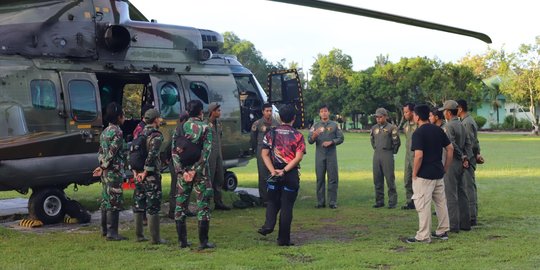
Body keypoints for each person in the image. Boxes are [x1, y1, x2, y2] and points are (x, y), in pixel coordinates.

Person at [257, 104, 305, 246]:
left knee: (272, 201)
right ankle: (283, 240)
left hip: (274, 173)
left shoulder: (270, 133)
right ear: (294, 118)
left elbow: (264, 154)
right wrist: (285, 171)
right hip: (290, 174)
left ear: (279, 117)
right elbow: (298, 157)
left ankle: (268, 225)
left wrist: (273, 171)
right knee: (286, 206)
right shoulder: (298, 135)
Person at [406, 104, 453, 243]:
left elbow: (418, 156)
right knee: (440, 203)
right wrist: (446, 167)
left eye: (414, 114)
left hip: (424, 175)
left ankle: (423, 236)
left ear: (418, 116)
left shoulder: (418, 133)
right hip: (438, 172)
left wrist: (414, 173)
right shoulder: (438, 130)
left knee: (423, 205)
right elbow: (450, 148)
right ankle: (442, 231)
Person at [172, 100, 215, 250]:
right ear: (200, 112)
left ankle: (182, 241)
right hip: (200, 173)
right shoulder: (206, 128)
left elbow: (174, 152)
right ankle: (203, 242)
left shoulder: (180, 128)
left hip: (183, 174)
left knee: (180, 206)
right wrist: (195, 170)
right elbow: (206, 152)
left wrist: (182, 171)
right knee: (203, 206)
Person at [93, 102, 127, 241]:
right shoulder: (118, 132)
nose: (124, 118)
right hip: (114, 171)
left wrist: (101, 165)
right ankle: (112, 232)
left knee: (106, 198)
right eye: (123, 115)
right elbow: (112, 152)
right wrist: (104, 165)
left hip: (105, 172)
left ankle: (104, 229)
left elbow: (100, 151)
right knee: (115, 199)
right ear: (118, 117)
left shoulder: (105, 132)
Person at [132, 108, 166, 244]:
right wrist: (146, 172)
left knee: (139, 204)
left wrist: (136, 173)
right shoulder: (156, 135)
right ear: (155, 119)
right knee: (153, 206)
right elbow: (152, 155)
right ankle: (155, 238)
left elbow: (133, 153)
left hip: (138, 175)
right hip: (150, 176)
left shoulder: (139, 134)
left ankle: (139, 236)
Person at [440, 100, 472, 232]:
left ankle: (453, 225)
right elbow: (469, 143)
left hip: (452, 162)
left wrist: (462, 156)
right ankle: (465, 223)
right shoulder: (461, 124)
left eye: (444, 111)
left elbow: (451, 144)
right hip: (461, 163)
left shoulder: (448, 127)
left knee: (451, 194)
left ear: (448, 112)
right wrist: (466, 158)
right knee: (462, 192)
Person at [308, 104, 344, 209]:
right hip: (320, 155)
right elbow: (310, 140)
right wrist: (315, 135)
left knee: (333, 178)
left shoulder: (334, 125)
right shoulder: (315, 125)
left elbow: (341, 138)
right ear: (319, 113)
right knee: (320, 179)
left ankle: (332, 202)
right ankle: (320, 202)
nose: (324, 113)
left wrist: (332, 142)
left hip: (331, 155)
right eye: (322, 111)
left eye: (325, 111)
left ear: (329, 112)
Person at [457, 99, 483, 226]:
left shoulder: (466, 123)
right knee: (467, 187)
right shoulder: (467, 120)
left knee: (468, 188)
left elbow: (470, 143)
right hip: (471, 157)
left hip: (468, 159)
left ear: (460, 109)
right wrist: (478, 153)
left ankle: (472, 216)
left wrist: (466, 158)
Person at [370, 108, 401, 209]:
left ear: (385, 116)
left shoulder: (392, 128)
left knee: (389, 179)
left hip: (387, 153)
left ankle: (392, 202)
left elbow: (396, 142)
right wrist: (376, 148)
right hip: (377, 154)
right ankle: (379, 201)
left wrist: (392, 151)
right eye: (377, 117)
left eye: (380, 117)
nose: (378, 119)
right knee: (377, 179)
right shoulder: (374, 128)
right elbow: (372, 140)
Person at [250, 103, 280, 205]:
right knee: (263, 174)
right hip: (261, 151)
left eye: (270, 111)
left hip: (273, 151)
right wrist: (257, 148)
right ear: (263, 112)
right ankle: (264, 199)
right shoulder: (257, 124)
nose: (269, 113)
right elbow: (253, 138)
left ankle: (274, 197)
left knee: (273, 173)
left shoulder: (276, 123)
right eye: (267, 111)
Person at [206, 102, 231, 210]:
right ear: (212, 112)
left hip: (218, 154)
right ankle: (206, 203)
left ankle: (218, 202)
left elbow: (220, 138)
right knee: (208, 178)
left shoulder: (219, 123)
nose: (220, 112)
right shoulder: (205, 124)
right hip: (209, 155)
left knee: (219, 178)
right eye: (218, 110)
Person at [169, 112, 190, 219]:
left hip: (179, 161)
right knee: (175, 187)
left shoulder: (178, 129)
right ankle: (173, 210)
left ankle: (183, 209)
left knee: (183, 186)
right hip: (177, 161)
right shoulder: (179, 130)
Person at [401, 103, 417, 210]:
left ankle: (418, 202)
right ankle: (409, 202)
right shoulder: (405, 126)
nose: (405, 114)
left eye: (406, 112)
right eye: (404, 112)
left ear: (412, 112)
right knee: (407, 179)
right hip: (408, 157)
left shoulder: (418, 125)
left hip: (417, 156)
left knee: (417, 180)